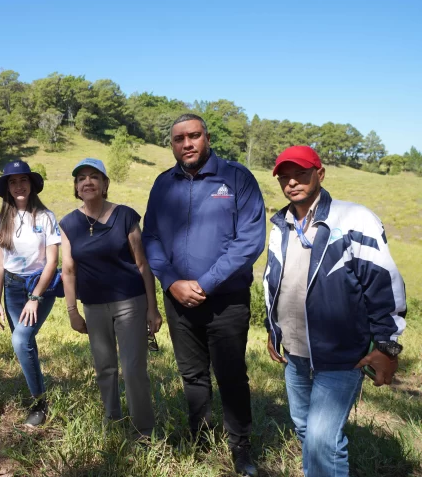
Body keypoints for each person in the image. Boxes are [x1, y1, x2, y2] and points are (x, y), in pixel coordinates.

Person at [264, 146, 406, 477]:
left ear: (320, 174)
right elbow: (275, 281)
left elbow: (383, 283)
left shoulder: (353, 219)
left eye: (301, 173)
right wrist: (274, 330)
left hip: (342, 355)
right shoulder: (280, 225)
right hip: (295, 355)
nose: (292, 182)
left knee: (321, 441)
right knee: (305, 430)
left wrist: (388, 347)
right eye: (285, 176)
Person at [142, 113, 265, 476]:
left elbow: (250, 240)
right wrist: (170, 281)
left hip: (226, 299)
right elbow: (150, 237)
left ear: (206, 138)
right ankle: (199, 435)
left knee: (231, 374)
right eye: (179, 139)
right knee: (192, 373)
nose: (187, 144)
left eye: (194, 136)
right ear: (172, 145)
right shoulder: (164, 184)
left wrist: (205, 283)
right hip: (178, 299)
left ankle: (240, 445)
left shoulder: (236, 177)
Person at [60, 158, 162, 439]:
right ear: (77, 188)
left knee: (132, 369)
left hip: (130, 301)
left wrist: (152, 308)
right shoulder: (69, 224)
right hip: (93, 305)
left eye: (94, 177)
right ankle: (112, 421)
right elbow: (68, 270)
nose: (87, 182)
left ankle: (143, 430)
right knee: (104, 367)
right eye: (81, 178)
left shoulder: (125, 216)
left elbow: (142, 264)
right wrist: (72, 311)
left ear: (105, 184)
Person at [0, 160, 60, 427]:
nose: (19, 186)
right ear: (7, 187)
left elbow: (52, 261)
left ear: (31, 185)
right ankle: (37, 389)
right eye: (13, 181)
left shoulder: (45, 217)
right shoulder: (0, 220)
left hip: (40, 286)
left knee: (20, 341)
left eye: (23, 180)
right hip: (12, 288)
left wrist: (35, 297)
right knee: (25, 342)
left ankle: (39, 403)